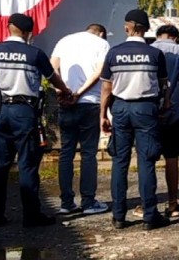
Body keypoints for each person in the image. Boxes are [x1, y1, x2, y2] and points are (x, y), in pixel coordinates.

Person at [0, 13, 73, 228]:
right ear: (28, 33)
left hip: (1, 111)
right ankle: (31, 216)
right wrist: (65, 91)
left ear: (8, 28)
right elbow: (53, 78)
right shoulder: (34, 54)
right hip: (24, 112)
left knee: (0, 164)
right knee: (27, 164)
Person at [100, 9, 171, 230]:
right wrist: (165, 104)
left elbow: (106, 88)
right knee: (146, 162)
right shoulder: (154, 54)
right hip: (146, 109)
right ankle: (150, 216)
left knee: (120, 162)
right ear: (146, 29)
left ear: (127, 27)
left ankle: (118, 217)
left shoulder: (114, 53)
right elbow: (164, 85)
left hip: (120, 108)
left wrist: (102, 114)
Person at [50, 24, 110, 215]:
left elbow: (52, 69)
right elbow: (100, 72)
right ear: (101, 33)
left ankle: (66, 203)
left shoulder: (64, 40)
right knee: (88, 154)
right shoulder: (101, 44)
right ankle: (88, 202)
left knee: (66, 153)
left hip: (65, 103)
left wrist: (61, 91)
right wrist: (79, 93)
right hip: (90, 103)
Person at [132, 25, 179, 218]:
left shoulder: (149, 50)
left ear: (157, 35)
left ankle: (145, 204)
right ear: (176, 37)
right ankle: (172, 204)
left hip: (148, 110)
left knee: (146, 159)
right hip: (174, 112)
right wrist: (170, 105)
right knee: (172, 158)